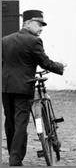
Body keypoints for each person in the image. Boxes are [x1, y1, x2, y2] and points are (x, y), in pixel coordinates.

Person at [2, 10, 65, 166]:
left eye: (42, 25)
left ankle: (12, 154)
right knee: (20, 123)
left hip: (5, 87)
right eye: (39, 24)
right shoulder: (33, 41)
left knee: (10, 123)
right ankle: (15, 160)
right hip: (24, 87)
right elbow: (45, 62)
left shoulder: (5, 40)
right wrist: (60, 67)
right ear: (27, 23)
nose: (41, 28)